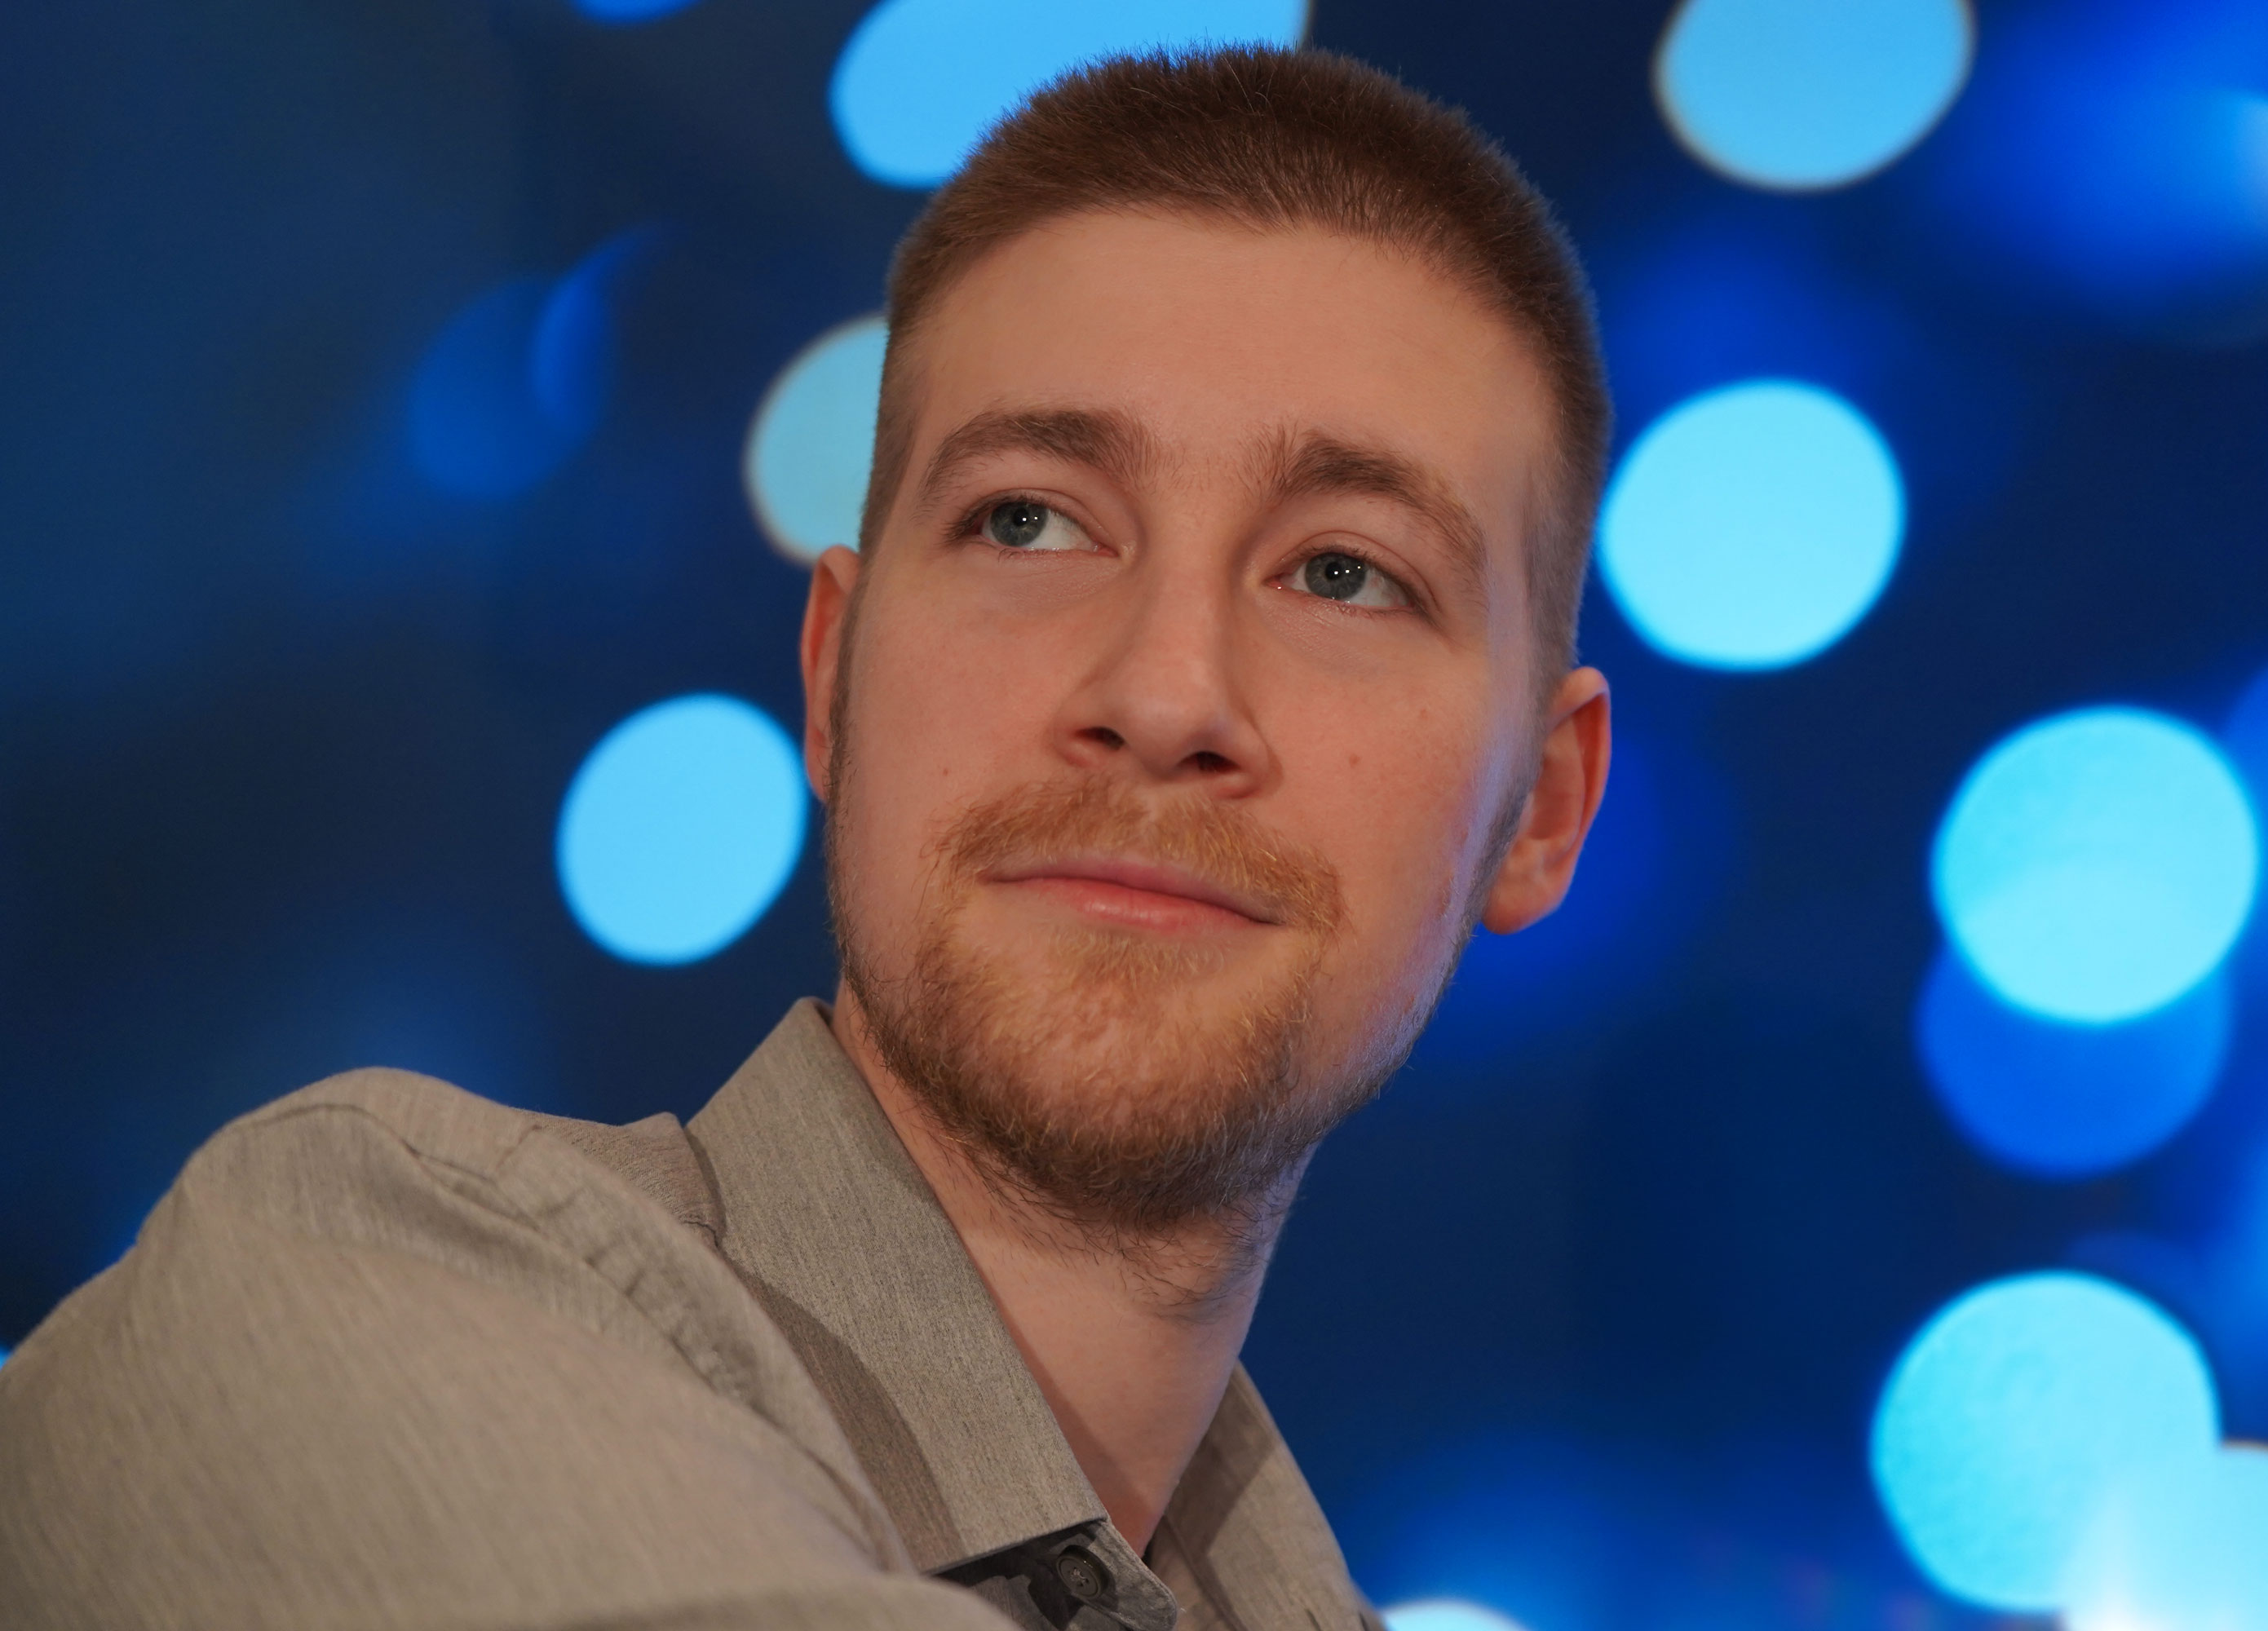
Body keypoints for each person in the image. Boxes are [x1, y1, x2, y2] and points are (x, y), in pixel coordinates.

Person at [0, 45, 1612, 1630]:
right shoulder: (341, 1278)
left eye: (1344, 571)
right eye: (1030, 519)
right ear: (834, 678)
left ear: (1540, 808)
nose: (1165, 690)